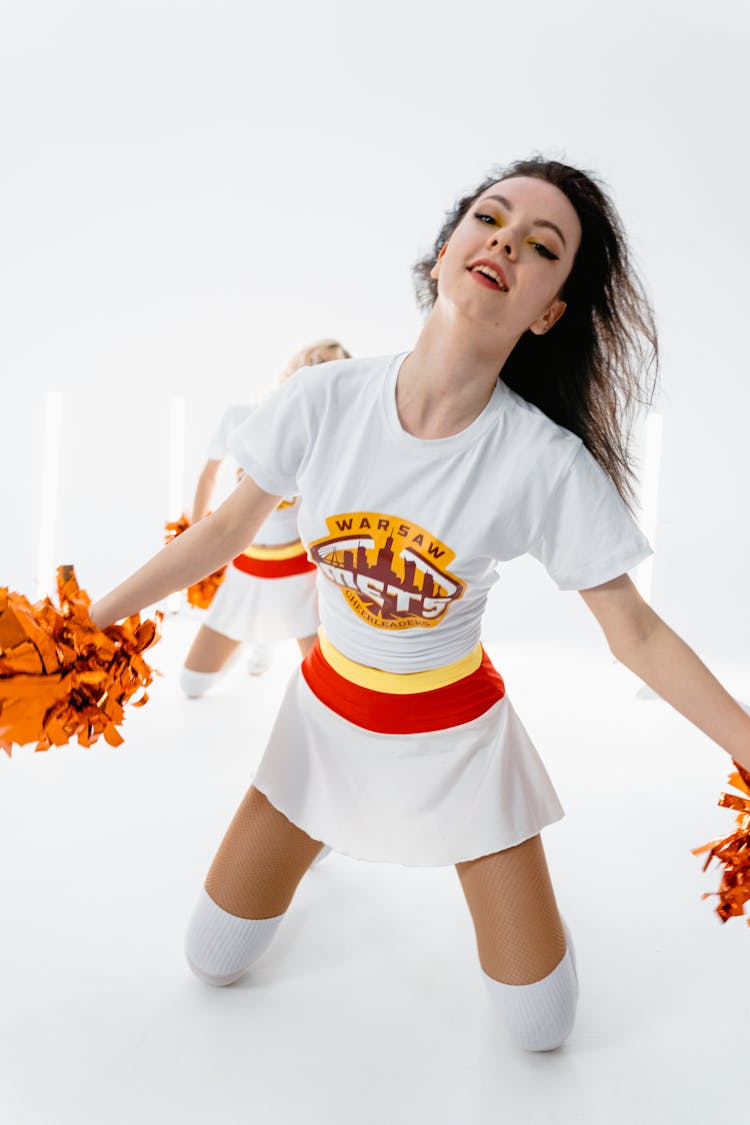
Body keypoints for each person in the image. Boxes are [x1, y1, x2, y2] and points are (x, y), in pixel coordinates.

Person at [90, 157, 750, 1052]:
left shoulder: (541, 461)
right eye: (491, 218)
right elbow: (220, 535)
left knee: (540, 1029)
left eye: (542, 247)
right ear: (446, 253)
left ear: (548, 312)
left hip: (459, 741)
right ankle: (319, 822)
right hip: (326, 721)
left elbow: (632, 631)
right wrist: (89, 623)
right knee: (211, 958)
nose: (507, 243)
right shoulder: (322, 399)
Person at [180, 339, 351, 697]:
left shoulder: (334, 430)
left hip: (299, 569)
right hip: (247, 563)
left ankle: (266, 638)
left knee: (324, 688)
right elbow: (208, 474)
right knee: (192, 684)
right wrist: (193, 541)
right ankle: (255, 637)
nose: (316, 367)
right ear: (294, 361)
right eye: (315, 358)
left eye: (328, 366)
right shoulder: (240, 415)